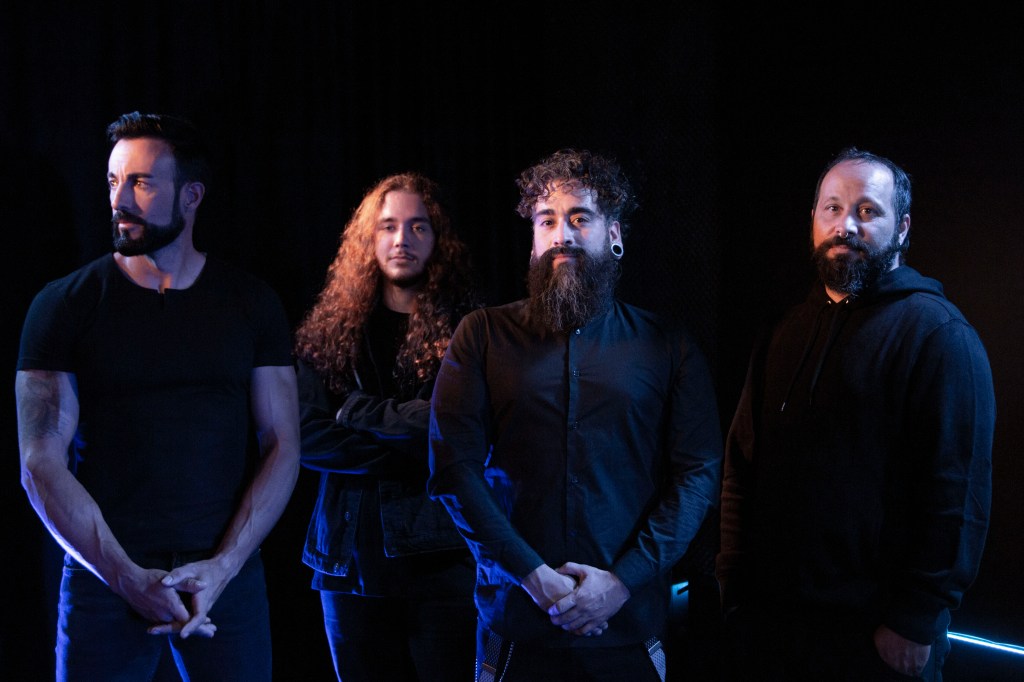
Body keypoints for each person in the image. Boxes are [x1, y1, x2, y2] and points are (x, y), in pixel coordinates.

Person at [15, 111, 300, 681]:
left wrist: (223, 568)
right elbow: (39, 460)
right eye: (113, 181)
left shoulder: (250, 303)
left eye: (141, 183)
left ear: (191, 196)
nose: (120, 200)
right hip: (102, 577)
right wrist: (125, 577)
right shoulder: (64, 305)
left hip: (224, 578)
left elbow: (283, 444)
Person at [427, 148, 724, 681]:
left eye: (579, 218)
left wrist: (623, 581)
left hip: (627, 628)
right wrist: (533, 576)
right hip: (515, 625)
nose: (561, 234)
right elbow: (454, 469)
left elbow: (698, 474)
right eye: (547, 221)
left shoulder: (667, 344)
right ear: (533, 240)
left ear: (615, 234)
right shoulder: (483, 335)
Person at [716, 147, 995, 681]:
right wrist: (732, 583)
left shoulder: (939, 335)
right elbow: (741, 466)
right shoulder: (783, 332)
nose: (845, 225)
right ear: (814, 220)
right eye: (833, 208)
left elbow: (958, 496)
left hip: (878, 638)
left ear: (902, 227)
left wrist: (915, 620)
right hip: (773, 627)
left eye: (867, 210)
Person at [293, 172, 481, 681]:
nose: (402, 239)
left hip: (442, 558)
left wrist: (356, 413)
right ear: (368, 238)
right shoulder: (327, 334)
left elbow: (456, 429)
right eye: (389, 226)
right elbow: (305, 438)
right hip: (346, 560)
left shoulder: (469, 331)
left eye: (418, 226)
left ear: (439, 240)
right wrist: (409, 448)